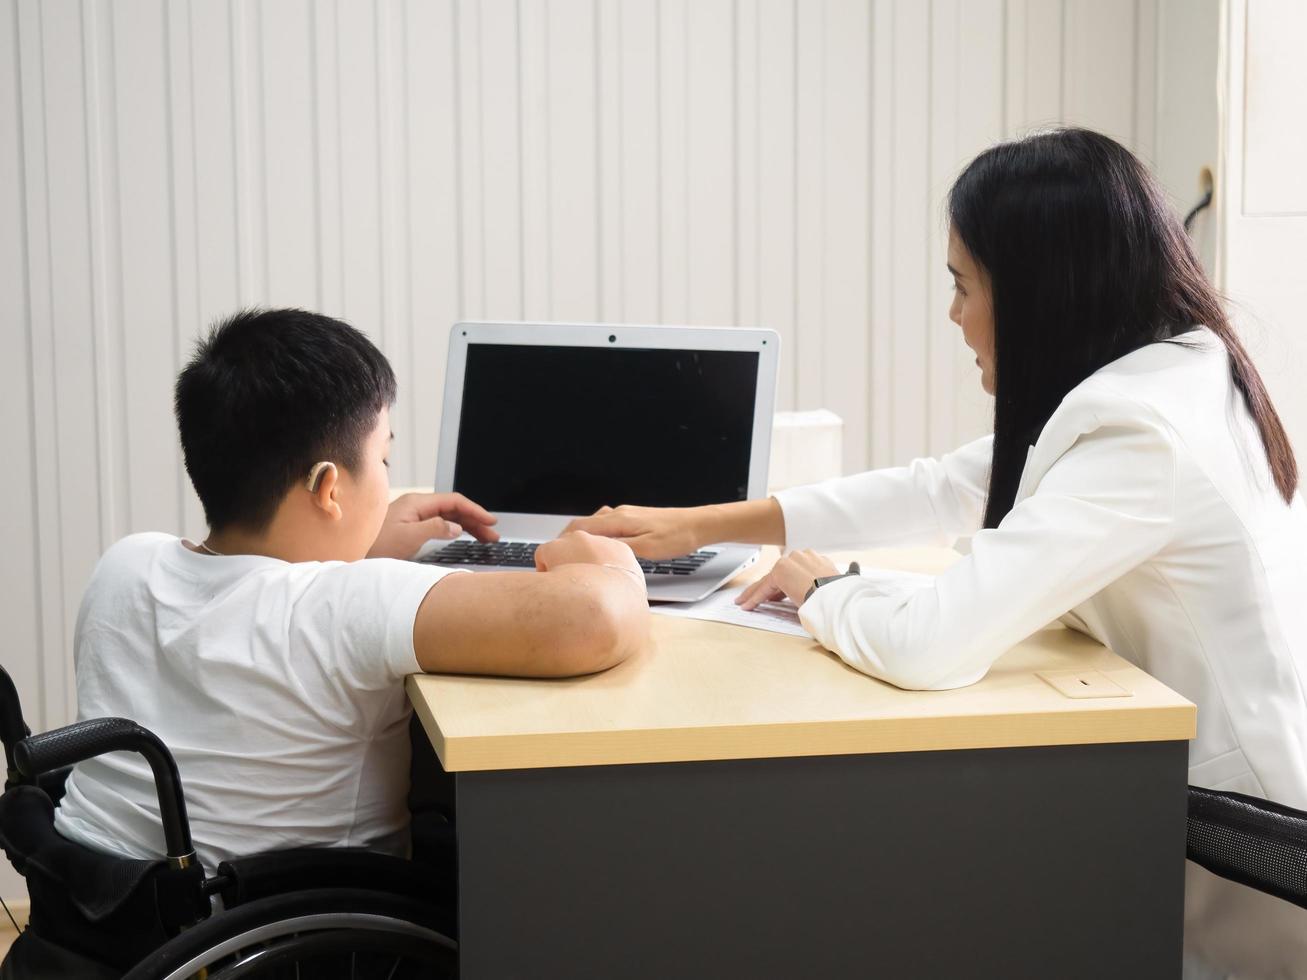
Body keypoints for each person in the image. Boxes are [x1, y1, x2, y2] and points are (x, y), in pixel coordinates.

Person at [567, 128, 1307, 979]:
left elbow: (928, 648)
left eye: (962, 285)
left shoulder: (1138, 433)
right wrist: (701, 525)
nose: (953, 314)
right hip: (1187, 789)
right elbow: (940, 486)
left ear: (1037, 291)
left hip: (1231, 849)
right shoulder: (1172, 371)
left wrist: (823, 591)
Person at [54, 308, 649, 874]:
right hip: (302, 941)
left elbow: (259, 599)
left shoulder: (124, 564)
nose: (389, 480)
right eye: (384, 457)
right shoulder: (348, 606)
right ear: (329, 489)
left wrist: (359, 540)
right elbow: (589, 619)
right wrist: (607, 560)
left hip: (113, 921)